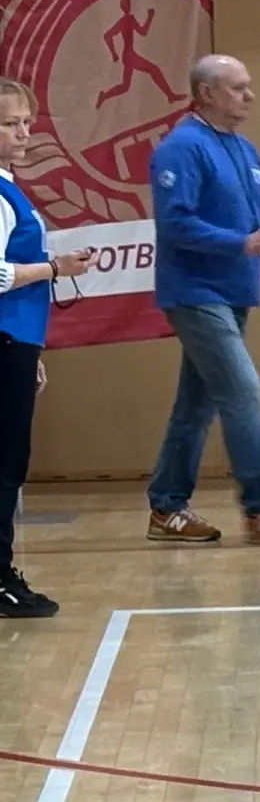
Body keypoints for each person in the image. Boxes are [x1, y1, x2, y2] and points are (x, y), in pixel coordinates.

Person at [147, 54, 260, 545]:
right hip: (195, 293)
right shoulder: (181, 148)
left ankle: (167, 506)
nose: (250, 95)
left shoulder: (245, 149)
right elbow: (175, 223)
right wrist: (240, 244)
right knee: (242, 389)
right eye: (237, 87)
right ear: (206, 93)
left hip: (233, 294)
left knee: (196, 404)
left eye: (249, 86)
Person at [0, 77, 97, 618]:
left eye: (26, 122)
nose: (23, 133)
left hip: (16, 339)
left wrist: (30, 351)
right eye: (9, 123)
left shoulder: (10, 188)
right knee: (5, 464)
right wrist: (55, 268)